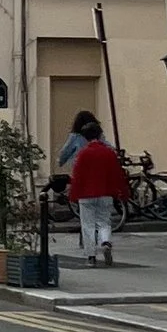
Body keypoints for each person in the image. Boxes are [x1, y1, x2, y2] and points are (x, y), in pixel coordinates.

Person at [61, 110, 131, 267]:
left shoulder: (83, 154)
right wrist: (123, 192)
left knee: (88, 225)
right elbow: (117, 174)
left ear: (85, 137)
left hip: (86, 195)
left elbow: (78, 177)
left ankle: (91, 257)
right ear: (100, 135)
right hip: (105, 193)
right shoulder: (108, 153)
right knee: (104, 222)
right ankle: (105, 242)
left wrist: (73, 195)